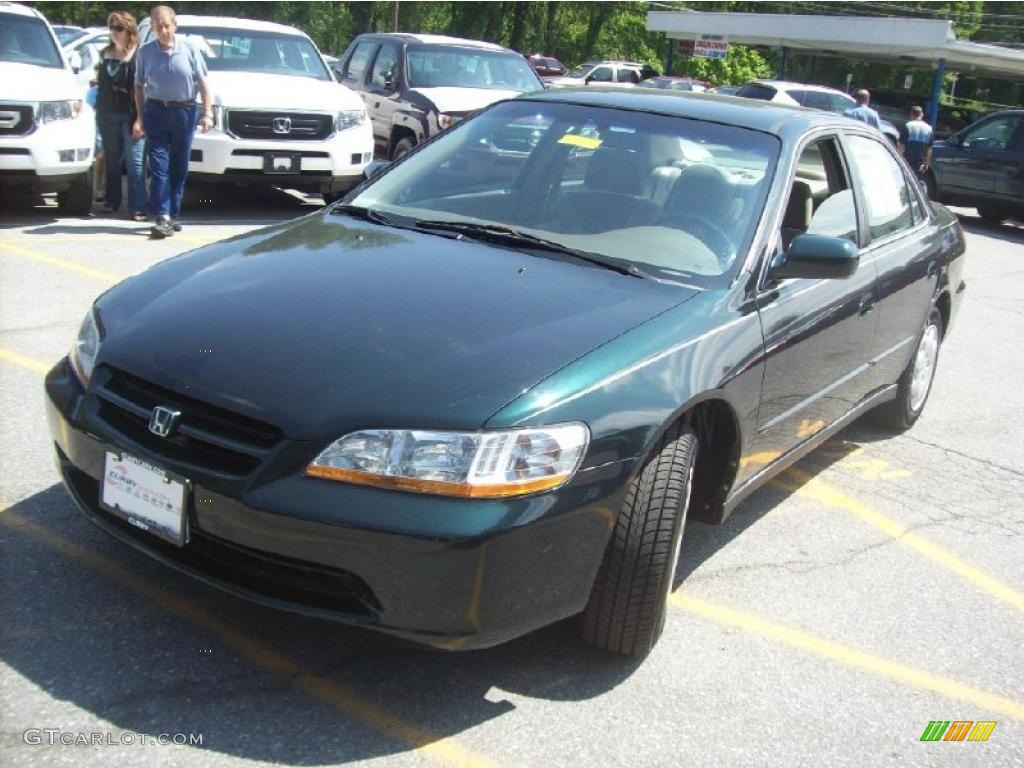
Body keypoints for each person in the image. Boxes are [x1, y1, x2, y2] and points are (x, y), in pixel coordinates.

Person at [133, 5, 213, 239]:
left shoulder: (189, 49)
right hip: (156, 110)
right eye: (158, 26)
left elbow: (203, 83)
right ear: (153, 27)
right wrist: (139, 116)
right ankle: (163, 216)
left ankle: (173, 213)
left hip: (185, 111)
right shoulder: (145, 52)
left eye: (167, 25)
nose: (163, 30)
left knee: (179, 166)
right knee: (159, 166)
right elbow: (138, 86)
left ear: (174, 25)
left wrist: (207, 113)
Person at [96, 11, 146, 220]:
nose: (114, 33)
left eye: (119, 29)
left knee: (135, 163)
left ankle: (137, 207)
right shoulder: (105, 53)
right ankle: (111, 200)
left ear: (129, 31)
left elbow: (143, 89)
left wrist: (140, 119)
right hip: (107, 113)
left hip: (131, 115)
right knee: (112, 161)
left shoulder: (139, 55)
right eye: (111, 28)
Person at [898, 105, 934, 183]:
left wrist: (896, 159)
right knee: (916, 183)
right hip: (920, 164)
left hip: (907, 161)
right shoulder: (929, 129)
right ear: (921, 115)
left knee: (905, 182)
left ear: (911, 114)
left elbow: (901, 147)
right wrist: (927, 163)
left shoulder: (908, 126)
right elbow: (929, 149)